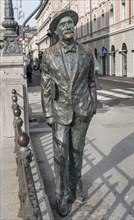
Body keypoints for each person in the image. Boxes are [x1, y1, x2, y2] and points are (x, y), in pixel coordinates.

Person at [41, 9, 97, 217]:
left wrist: (93, 105)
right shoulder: (49, 54)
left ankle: (75, 188)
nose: (68, 27)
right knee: (61, 155)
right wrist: (48, 113)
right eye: (63, 24)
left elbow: (92, 81)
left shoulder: (87, 52)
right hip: (59, 111)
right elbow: (46, 86)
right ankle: (61, 194)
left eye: (70, 23)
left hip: (83, 109)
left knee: (77, 153)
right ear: (56, 30)